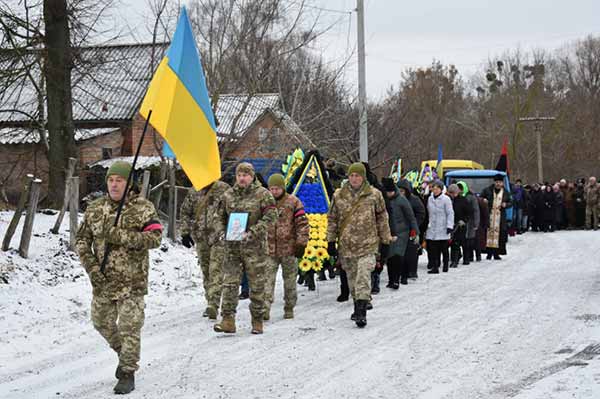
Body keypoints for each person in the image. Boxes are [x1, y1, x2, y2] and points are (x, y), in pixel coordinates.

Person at [76, 161, 162, 395]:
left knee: (129, 327)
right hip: (103, 279)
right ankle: (124, 352)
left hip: (132, 281)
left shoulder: (143, 208)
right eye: (111, 180)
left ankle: (127, 371)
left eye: (120, 180)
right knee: (100, 322)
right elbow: (82, 240)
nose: (114, 185)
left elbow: (155, 238)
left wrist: (120, 235)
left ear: (129, 183)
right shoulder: (95, 208)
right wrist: (92, 268)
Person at [214, 162, 277, 335]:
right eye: (239, 175)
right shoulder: (228, 195)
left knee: (256, 285)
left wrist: (253, 232)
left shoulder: (263, 194)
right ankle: (227, 319)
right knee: (229, 283)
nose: (242, 178)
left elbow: (271, 216)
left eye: (245, 175)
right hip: (232, 247)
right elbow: (219, 217)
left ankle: (257, 320)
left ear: (252, 176)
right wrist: (221, 232)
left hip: (255, 248)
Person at [327, 163, 393, 328]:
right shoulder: (339, 195)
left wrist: (385, 241)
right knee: (352, 281)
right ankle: (358, 303)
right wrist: (330, 241)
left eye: (358, 175)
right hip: (346, 246)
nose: (354, 179)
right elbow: (332, 219)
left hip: (368, 245)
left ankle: (361, 311)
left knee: (363, 276)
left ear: (363, 177)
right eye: (352, 176)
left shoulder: (374, 195)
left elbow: (382, 219)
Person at [180, 179, 230, 320]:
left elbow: (233, 209)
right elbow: (185, 212)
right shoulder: (193, 191)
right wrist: (185, 232)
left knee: (216, 270)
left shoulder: (224, 189)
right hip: (200, 237)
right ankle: (210, 300)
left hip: (219, 237)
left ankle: (213, 305)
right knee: (206, 270)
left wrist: (232, 231)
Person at [264, 174, 309, 321]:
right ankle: (265, 307)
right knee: (266, 280)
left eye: (277, 188)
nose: (274, 191)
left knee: (289, 280)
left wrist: (301, 243)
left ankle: (289, 307)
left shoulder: (293, 202)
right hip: (269, 249)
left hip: (289, 249)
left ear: (282, 188)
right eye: (271, 189)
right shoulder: (264, 203)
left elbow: (302, 224)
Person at [381, 177, 419, 287]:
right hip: (388, 231)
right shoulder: (383, 200)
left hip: (401, 232)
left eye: (390, 192)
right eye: (387, 192)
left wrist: (415, 231)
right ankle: (391, 280)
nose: (389, 194)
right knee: (389, 256)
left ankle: (396, 280)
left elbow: (411, 216)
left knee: (397, 256)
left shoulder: (402, 200)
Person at [398, 179, 426, 278]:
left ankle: (412, 271)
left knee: (412, 251)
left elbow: (421, 213)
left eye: (402, 191)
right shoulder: (396, 199)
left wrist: (415, 224)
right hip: (399, 229)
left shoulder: (414, 200)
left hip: (412, 229)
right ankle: (401, 271)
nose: (400, 192)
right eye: (399, 190)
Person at [425, 180, 454, 274]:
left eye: (437, 188)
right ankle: (435, 266)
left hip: (443, 226)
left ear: (441, 189)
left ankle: (445, 264)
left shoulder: (446, 199)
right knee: (433, 249)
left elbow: (450, 213)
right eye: (434, 188)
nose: (435, 190)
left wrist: (449, 225)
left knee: (444, 248)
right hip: (432, 227)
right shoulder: (430, 199)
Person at [481, 175, 512, 260]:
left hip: (500, 216)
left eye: (500, 182)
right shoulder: (487, 190)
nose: (498, 184)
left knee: (499, 235)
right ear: (494, 182)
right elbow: (481, 197)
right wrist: (484, 200)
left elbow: (511, 202)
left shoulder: (505, 192)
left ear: (502, 183)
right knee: (488, 234)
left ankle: (496, 253)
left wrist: (506, 204)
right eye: (497, 182)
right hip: (489, 215)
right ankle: (488, 253)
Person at [446, 184, 471, 268]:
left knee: (463, 242)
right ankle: (454, 261)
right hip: (451, 224)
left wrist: (464, 221)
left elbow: (469, 213)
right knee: (454, 243)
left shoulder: (463, 200)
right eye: (450, 193)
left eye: (454, 193)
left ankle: (466, 259)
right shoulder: (448, 200)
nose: (452, 195)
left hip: (461, 225)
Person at [457, 181, 480, 265]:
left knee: (470, 240)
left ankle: (472, 256)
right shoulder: (457, 197)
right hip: (460, 222)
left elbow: (476, 210)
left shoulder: (471, 197)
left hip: (470, 221)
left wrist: (476, 222)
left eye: (461, 189)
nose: (459, 191)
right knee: (461, 240)